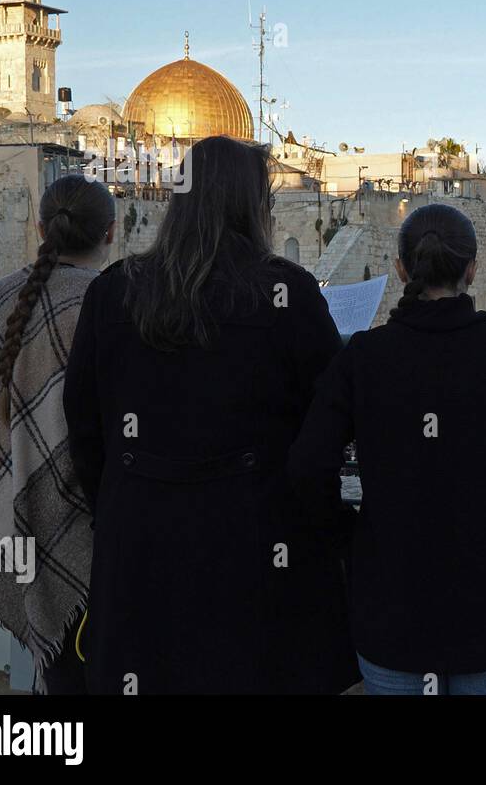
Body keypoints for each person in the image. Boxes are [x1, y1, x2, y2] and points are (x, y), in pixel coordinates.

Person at [62, 135, 357, 694]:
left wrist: (129, 497)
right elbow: (328, 422)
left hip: (143, 544)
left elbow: (85, 425)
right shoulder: (287, 294)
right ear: (253, 205)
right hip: (257, 545)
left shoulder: (113, 292)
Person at [289, 203, 486, 695]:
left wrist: (349, 534)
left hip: (392, 605)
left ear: (400, 269)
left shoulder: (364, 358)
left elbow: (308, 467)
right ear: (472, 269)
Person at [0, 175, 115, 694]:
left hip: (11, 509)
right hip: (89, 525)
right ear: (111, 234)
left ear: (41, 228)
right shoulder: (110, 303)